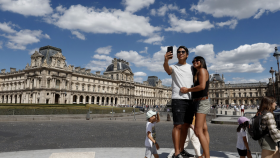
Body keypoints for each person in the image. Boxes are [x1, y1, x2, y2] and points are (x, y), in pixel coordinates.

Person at [164, 46, 194, 158]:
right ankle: (176, 153)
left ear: (187, 55)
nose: (180, 53)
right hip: (178, 99)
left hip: (190, 99)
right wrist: (166, 60)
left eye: (183, 52)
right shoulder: (173, 67)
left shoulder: (192, 68)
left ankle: (181, 150)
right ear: (176, 55)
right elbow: (167, 69)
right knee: (178, 126)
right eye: (178, 52)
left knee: (186, 126)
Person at [180, 56, 210, 158]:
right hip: (201, 101)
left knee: (198, 131)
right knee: (204, 129)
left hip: (201, 102)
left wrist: (187, 90)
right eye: (193, 61)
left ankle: (207, 156)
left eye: (197, 60)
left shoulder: (202, 70)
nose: (194, 62)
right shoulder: (200, 72)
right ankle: (204, 154)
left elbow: (202, 86)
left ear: (202, 62)